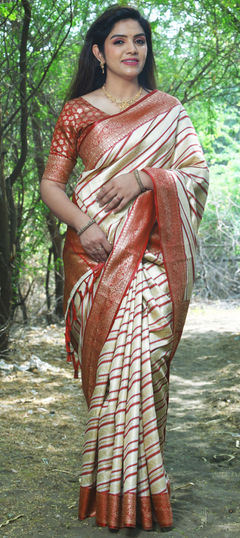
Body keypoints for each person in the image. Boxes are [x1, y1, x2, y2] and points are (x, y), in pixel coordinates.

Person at [41, 4, 209, 531]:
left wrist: (143, 179)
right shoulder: (77, 113)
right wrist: (86, 226)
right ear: (99, 51)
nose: (131, 49)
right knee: (112, 373)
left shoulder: (168, 110)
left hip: (155, 257)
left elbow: (195, 174)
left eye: (139, 40)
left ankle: (140, 493)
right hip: (95, 255)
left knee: (147, 360)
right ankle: (120, 500)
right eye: (119, 41)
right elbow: (51, 185)